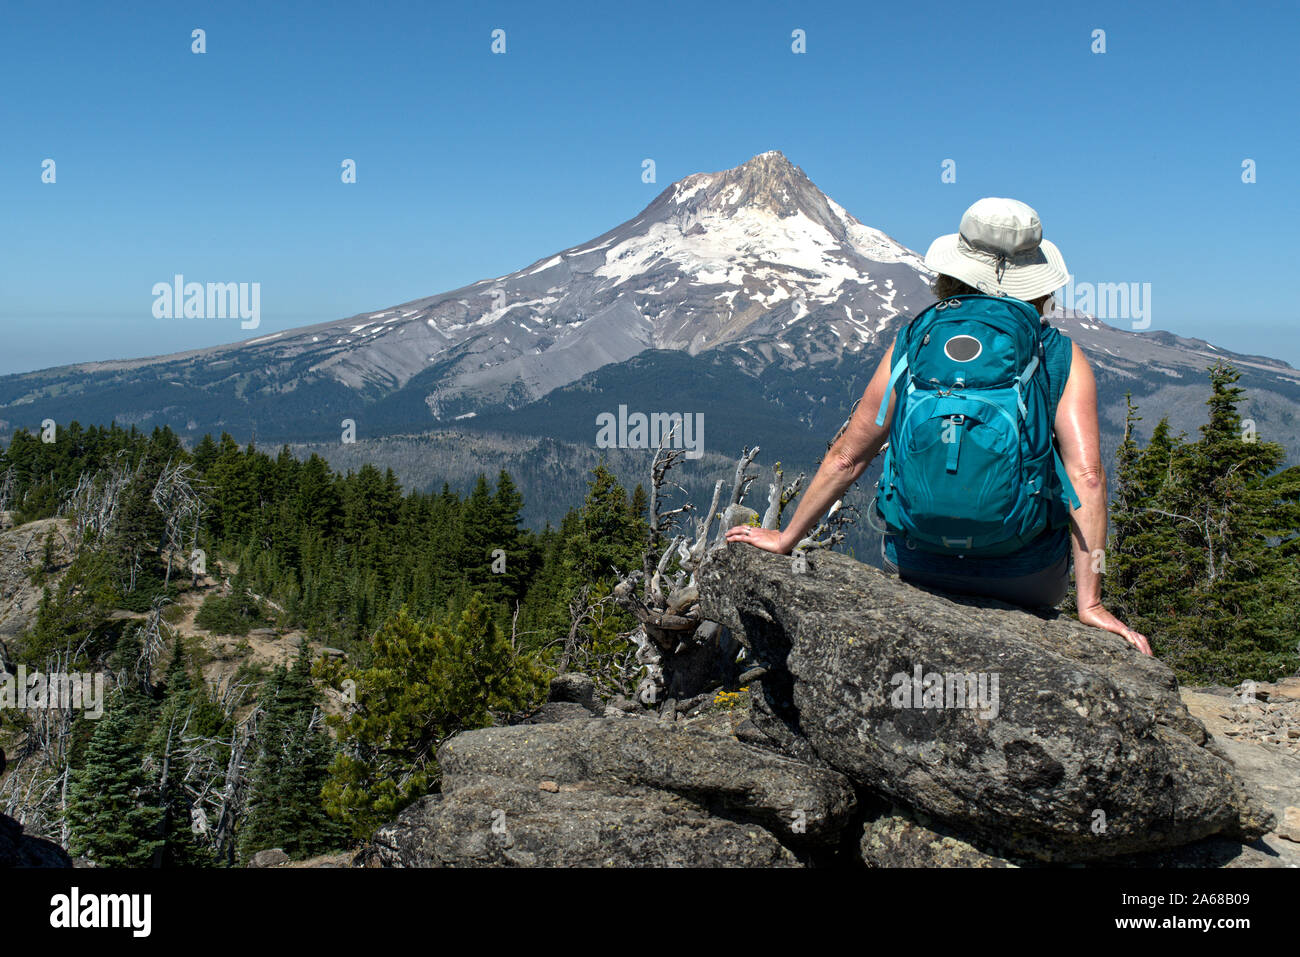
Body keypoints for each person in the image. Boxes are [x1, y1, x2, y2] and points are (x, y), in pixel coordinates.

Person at [726, 197, 1151, 656]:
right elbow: (1087, 476)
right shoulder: (1058, 354)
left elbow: (849, 456)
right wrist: (1090, 603)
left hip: (917, 562)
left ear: (953, 269)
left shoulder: (915, 340)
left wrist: (788, 537)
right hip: (1025, 577)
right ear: (1036, 278)